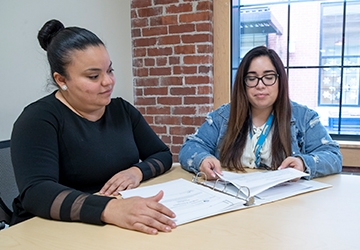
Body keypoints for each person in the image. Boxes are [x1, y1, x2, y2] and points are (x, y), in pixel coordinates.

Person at [10, 19, 176, 235]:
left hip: (112, 222)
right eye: (94, 76)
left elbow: (162, 154)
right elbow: (36, 193)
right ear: (61, 80)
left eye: (110, 70)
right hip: (53, 229)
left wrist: (136, 171)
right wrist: (109, 208)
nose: (108, 82)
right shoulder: (38, 119)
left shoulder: (121, 111)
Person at [179, 46, 342, 180]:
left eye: (268, 77)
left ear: (280, 80)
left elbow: (333, 156)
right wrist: (203, 160)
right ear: (243, 83)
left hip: (285, 203)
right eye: (252, 78)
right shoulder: (223, 116)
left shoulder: (304, 117)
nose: (260, 85)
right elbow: (190, 147)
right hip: (234, 198)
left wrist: (303, 163)